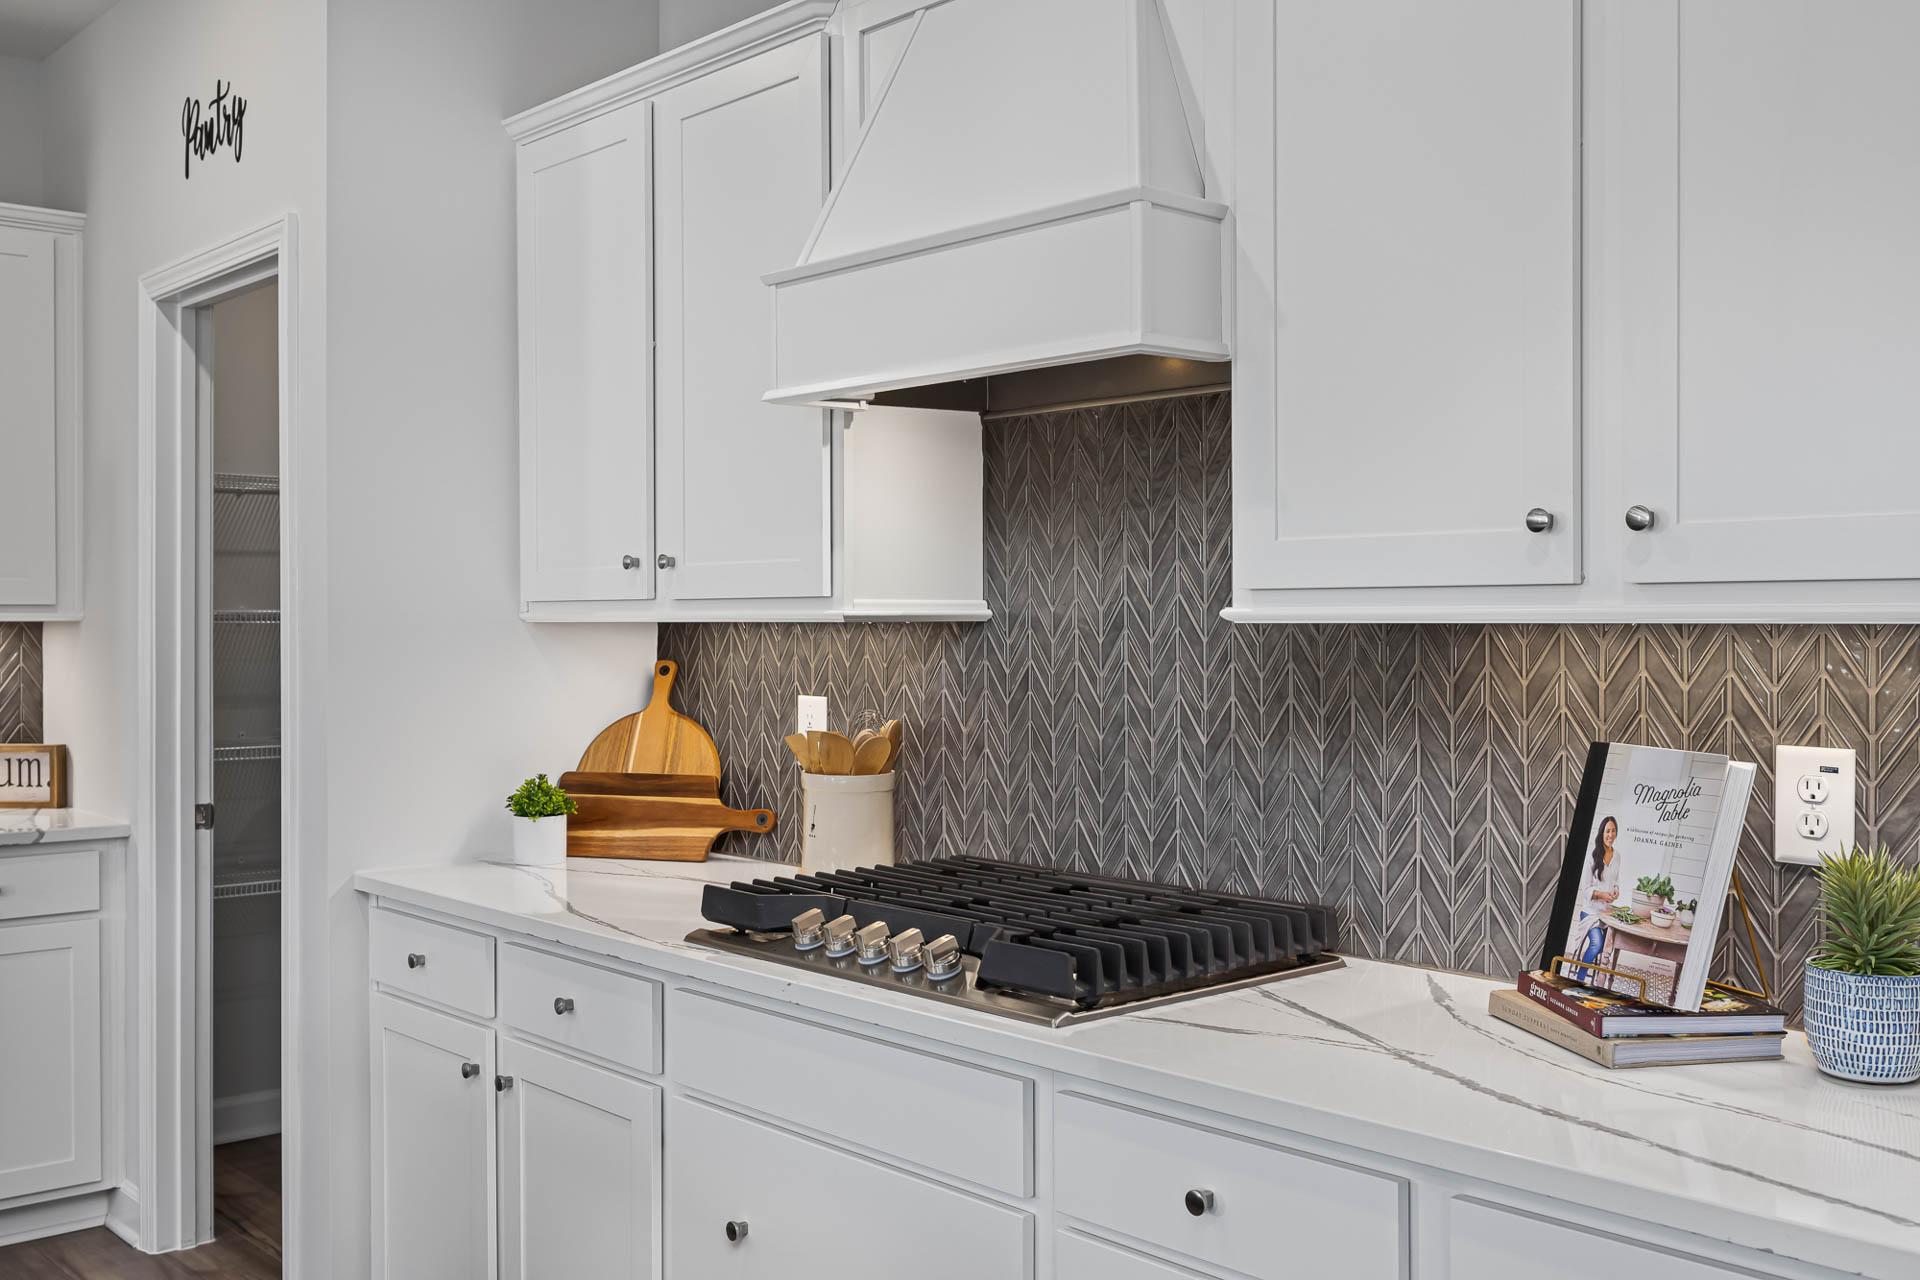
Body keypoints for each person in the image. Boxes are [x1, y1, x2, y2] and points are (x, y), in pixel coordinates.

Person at [1564, 816, 1620, 983]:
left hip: (1606, 914)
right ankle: (1580, 979)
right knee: (1597, 944)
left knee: (1605, 947)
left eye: (1613, 830)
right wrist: (1602, 895)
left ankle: (1593, 977)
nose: (1610, 834)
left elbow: (1616, 881)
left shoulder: (1617, 856)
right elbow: (1586, 890)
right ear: (1602, 833)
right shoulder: (1592, 856)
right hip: (1590, 913)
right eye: (1607, 831)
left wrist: (1616, 891)